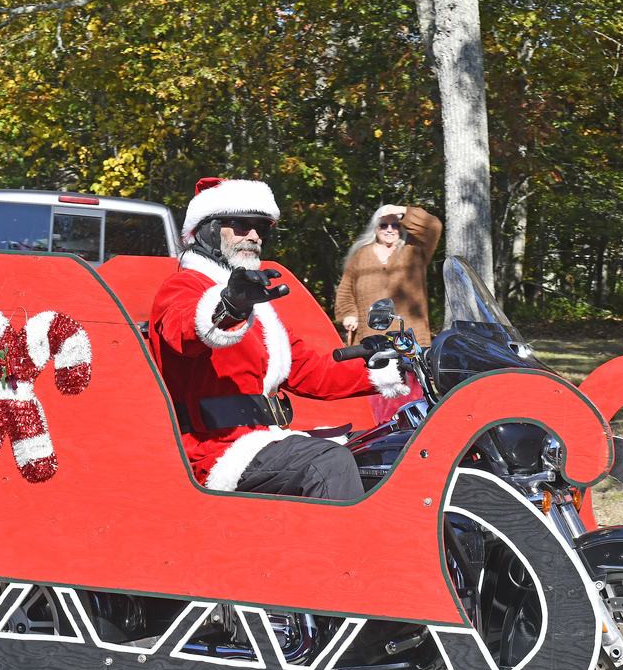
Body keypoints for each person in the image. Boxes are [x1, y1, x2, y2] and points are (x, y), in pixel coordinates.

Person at [150, 177, 407, 500]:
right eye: (242, 225)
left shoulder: (255, 306)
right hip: (216, 452)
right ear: (208, 230)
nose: (255, 235)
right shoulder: (184, 288)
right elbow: (184, 330)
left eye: (262, 227)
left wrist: (396, 366)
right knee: (327, 462)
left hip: (266, 440)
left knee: (383, 450)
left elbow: (312, 373)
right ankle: (349, 552)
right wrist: (229, 307)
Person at [334, 204, 442, 346]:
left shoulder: (416, 250)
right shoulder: (360, 256)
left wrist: (402, 210)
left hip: (410, 339)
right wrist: (349, 315)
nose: (389, 230)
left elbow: (433, 226)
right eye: (384, 225)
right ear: (375, 228)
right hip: (369, 339)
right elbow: (345, 292)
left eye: (395, 225)